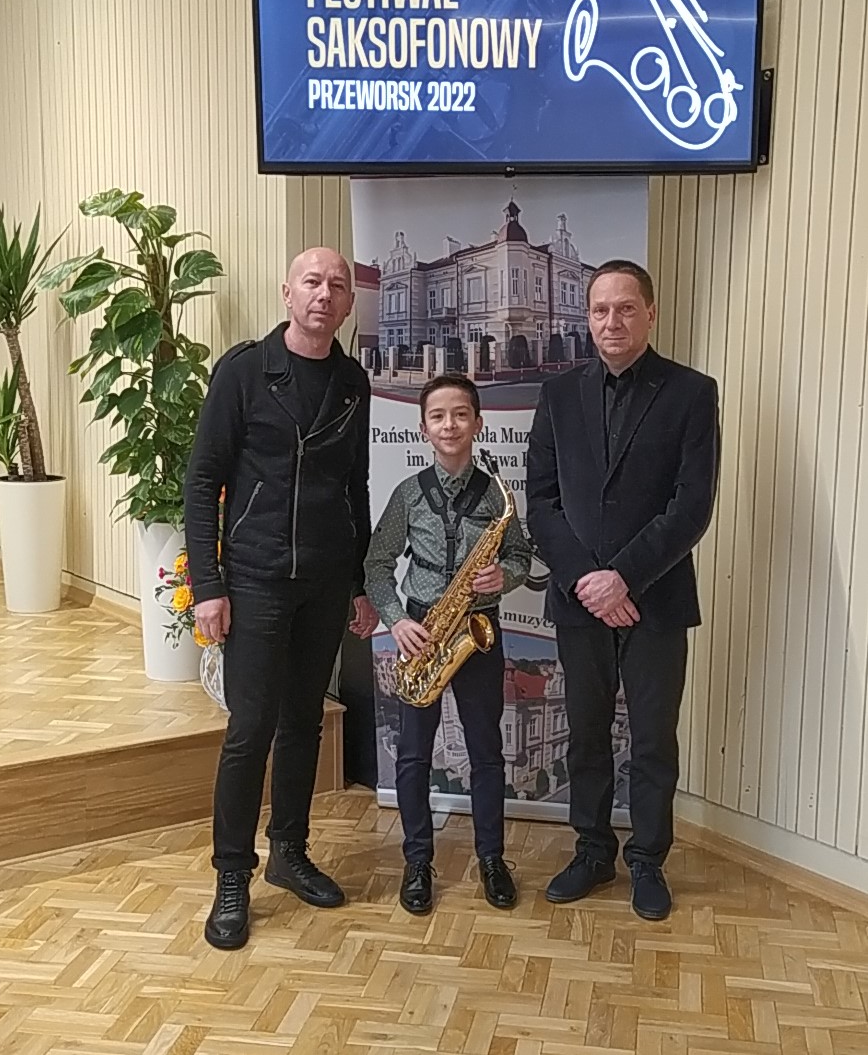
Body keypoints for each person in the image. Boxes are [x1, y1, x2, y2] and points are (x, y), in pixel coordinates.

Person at [185, 248, 379, 951]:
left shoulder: (353, 382)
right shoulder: (243, 372)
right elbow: (202, 480)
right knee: (251, 729)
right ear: (287, 292)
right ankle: (233, 875)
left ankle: (289, 853)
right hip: (256, 577)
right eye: (312, 282)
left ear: (348, 304)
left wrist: (359, 581)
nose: (324, 294)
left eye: (337, 285)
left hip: (324, 582)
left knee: (304, 724)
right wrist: (208, 586)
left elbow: (355, 486)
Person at [526, 260, 719, 921]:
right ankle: (591, 851)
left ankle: (648, 861)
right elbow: (541, 501)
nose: (612, 321)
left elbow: (691, 507)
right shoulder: (557, 395)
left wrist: (624, 578)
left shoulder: (692, 393)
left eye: (626, 308)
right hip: (579, 600)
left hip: (655, 600)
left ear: (650, 313)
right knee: (584, 734)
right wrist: (588, 580)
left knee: (652, 740)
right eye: (600, 309)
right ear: (587, 317)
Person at [364, 373, 531, 915]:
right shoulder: (408, 494)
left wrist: (504, 576)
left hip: (478, 632)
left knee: (486, 751)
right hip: (422, 632)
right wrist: (396, 621)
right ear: (423, 428)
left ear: (478, 423)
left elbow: (521, 557)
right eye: (438, 416)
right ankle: (417, 860)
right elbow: (376, 565)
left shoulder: (497, 496)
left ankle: (492, 859)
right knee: (413, 755)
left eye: (460, 414)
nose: (450, 425)